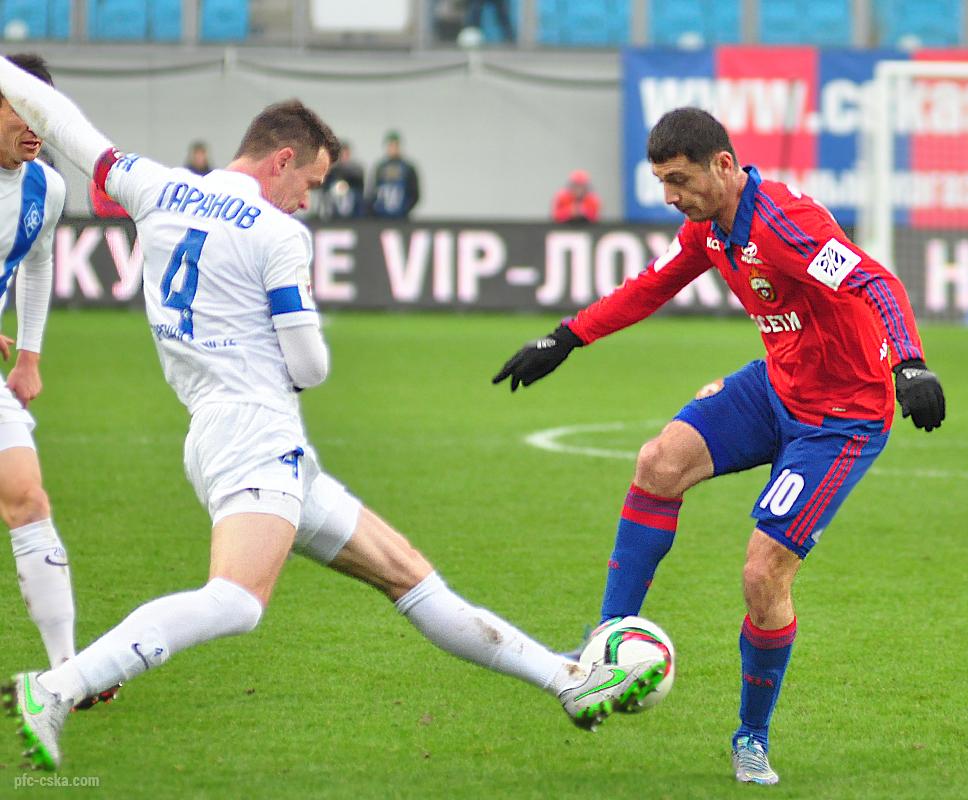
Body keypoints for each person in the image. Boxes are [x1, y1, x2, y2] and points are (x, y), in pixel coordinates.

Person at [0, 62, 666, 771]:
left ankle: (567, 680)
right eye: (311, 183)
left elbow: (64, 123)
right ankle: (56, 686)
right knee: (236, 600)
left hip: (224, 431)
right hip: (255, 431)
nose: (306, 201)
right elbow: (310, 365)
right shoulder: (277, 233)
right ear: (282, 160)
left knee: (410, 578)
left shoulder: (154, 186)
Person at [493, 107, 946, 785]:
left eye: (679, 180)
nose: (671, 196)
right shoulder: (710, 230)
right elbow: (650, 286)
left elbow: (875, 280)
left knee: (763, 576)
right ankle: (608, 645)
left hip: (842, 418)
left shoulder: (784, 222)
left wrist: (910, 363)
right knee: (658, 463)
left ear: (724, 166)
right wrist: (566, 337)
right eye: (662, 182)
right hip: (777, 387)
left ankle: (750, 738)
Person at [0, 53, 84, 696]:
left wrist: (30, 354)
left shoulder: (45, 188)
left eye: (43, 114)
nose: (36, 128)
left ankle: (67, 672)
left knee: (28, 500)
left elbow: (36, 261)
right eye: (23, 111)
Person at [367, 131, 419, 219]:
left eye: (396, 145)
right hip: (381, 217)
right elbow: (373, 191)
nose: (393, 148)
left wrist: (405, 209)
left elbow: (415, 194)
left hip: (401, 217)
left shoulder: (408, 168)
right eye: (391, 145)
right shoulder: (380, 168)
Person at [320, 139, 365, 219]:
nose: (344, 157)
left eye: (346, 154)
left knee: (351, 195)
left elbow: (360, 186)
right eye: (343, 154)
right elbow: (325, 185)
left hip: (350, 196)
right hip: (335, 195)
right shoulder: (333, 169)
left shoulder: (356, 169)